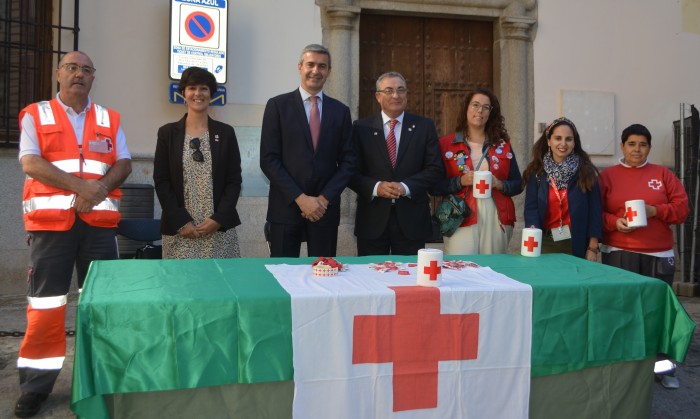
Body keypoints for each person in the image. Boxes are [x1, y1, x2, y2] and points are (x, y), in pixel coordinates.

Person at [15, 51, 132, 418]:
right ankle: (36, 387)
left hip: (98, 227)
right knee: (46, 307)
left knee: (102, 308)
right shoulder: (37, 114)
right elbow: (30, 161)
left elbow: (124, 162)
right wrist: (81, 188)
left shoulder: (108, 118)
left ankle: (101, 379)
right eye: (71, 68)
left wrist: (96, 189)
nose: (78, 74)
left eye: (85, 69)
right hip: (51, 229)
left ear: (93, 78)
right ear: (58, 75)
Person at [599, 123, 689, 388]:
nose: (637, 149)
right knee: (621, 310)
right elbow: (597, 212)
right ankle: (624, 367)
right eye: (631, 144)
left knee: (656, 312)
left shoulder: (663, 174)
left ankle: (663, 368)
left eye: (643, 144)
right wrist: (615, 222)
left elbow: (682, 209)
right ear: (622, 146)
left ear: (649, 147)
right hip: (618, 252)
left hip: (658, 255)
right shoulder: (608, 176)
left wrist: (655, 211)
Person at [260, 44, 355, 257]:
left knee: (324, 276)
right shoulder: (277, 106)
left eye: (322, 66)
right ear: (300, 67)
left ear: (329, 71)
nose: (316, 70)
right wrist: (301, 198)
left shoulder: (340, 111)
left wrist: (323, 199)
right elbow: (268, 160)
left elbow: (349, 162)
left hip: (325, 210)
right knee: (283, 277)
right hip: (285, 208)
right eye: (310, 64)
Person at [349, 71, 443, 255]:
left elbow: (435, 169)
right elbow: (350, 172)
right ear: (378, 96)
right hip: (372, 220)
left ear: (407, 94)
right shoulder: (361, 128)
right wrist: (377, 187)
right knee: (372, 277)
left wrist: (405, 187)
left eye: (401, 90)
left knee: (409, 278)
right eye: (389, 90)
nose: (396, 95)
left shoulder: (424, 127)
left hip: (412, 220)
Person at [154, 67, 242, 259]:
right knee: (182, 286)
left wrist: (218, 219)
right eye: (192, 88)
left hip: (218, 230)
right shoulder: (167, 133)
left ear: (211, 94)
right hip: (182, 229)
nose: (198, 93)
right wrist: (181, 221)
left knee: (219, 285)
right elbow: (162, 181)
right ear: (183, 93)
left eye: (204, 88)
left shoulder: (226, 133)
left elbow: (234, 181)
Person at [432, 88, 522, 254]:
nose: (480, 110)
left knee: (493, 269)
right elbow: (434, 186)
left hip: (497, 215)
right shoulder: (445, 145)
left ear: (490, 113)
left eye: (486, 107)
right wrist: (460, 181)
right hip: (461, 216)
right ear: (466, 108)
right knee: (461, 267)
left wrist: (500, 184)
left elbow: (518, 184)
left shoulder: (503, 145)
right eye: (475, 105)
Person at [522, 117, 602, 260]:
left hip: (577, 242)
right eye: (558, 138)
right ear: (548, 141)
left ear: (574, 142)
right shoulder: (537, 173)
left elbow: (595, 213)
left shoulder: (586, 172)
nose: (563, 144)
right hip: (545, 242)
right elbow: (531, 208)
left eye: (568, 139)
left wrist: (592, 248)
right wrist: (532, 229)